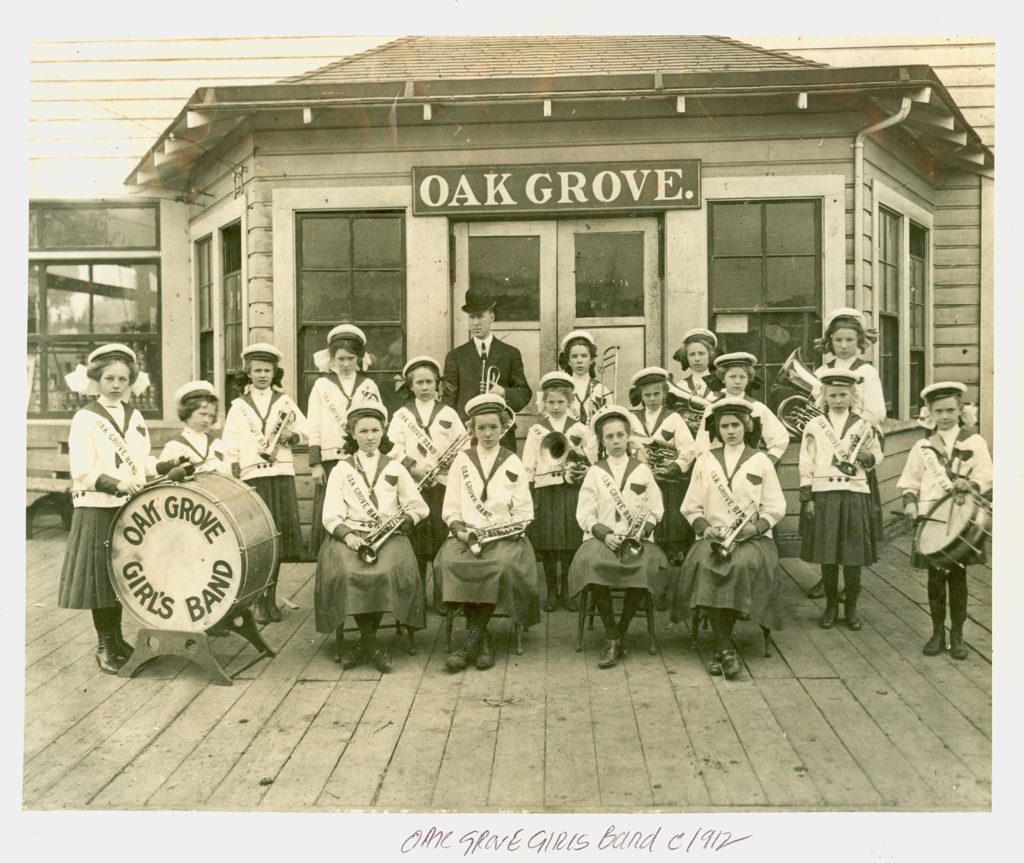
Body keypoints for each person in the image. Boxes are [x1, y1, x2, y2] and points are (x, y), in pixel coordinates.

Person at [59, 344, 180, 673]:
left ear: (131, 382)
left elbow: (140, 463)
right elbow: (82, 468)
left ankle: (117, 639)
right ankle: (104, 644)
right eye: (109, 378)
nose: (116, 385)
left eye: (123, 379)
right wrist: (115, 484)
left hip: (128, 508)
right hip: (98, 506)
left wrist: (166, 465)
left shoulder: (135, 416)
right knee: (100, 578)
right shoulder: (85, 418)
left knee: (121, 576)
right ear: (95, 380)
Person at [669, 398, 785, 680]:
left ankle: (721, 648)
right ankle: (725, 649)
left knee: (738, 566)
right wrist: (704, 526)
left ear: (746, 427)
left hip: (752, 539)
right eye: (724, 426)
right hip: (714, 536)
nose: (730, 431)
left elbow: (776, 506)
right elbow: (691, 506)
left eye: (735, 425)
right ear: (717, 430)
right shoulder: (705, 460)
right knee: (706, 565)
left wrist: (755, 528)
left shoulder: (760, 461)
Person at [314, 399, 428, 672]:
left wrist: (404, 521)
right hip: (352, 536)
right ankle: (371, 643)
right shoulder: (342, 469)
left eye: (375, 430)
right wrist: (349, 536)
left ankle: (366, 642)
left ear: (383, 432)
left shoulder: (395, 466)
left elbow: (418, 506)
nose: (370, 437)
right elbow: (330, 514)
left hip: (388, 536)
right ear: (353, 434)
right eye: (363, 431)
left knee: (387, 571)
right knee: (346, 572)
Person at [435, 393, 540, 672]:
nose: (488, 433)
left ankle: (471, 641)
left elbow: (524, 512)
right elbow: (451, 509)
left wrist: (504, 530)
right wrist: (461, 532)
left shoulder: (512, 461)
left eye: (493, 426)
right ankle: (481, 640)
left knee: (500, 565)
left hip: (503, 537)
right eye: (481, 427)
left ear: (503, 427)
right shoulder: (461, 461)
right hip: (466, 536)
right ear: (471, 430)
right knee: (451, 562)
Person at [567, 405, 669, 669]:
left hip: (636, 540)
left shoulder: (642, 470)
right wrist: (605, 534)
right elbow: (585, 514)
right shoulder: (595, 472)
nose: (615, 441)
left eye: (620, 435)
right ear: (602, 440)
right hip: (603, 539)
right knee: (593, 566)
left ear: (628, 437)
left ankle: (619, 633)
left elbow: (656, 509)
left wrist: (642, 531)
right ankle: (612, 635)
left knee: (643, 568)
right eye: (609, 436)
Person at [897, 382, 992, 660]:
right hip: (933, 523)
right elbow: (911, 480)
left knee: (958, 580)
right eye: (939, 411)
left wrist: (970, 483)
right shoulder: (923, 445)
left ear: (961, 410)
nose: (946, 415)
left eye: (951, 409)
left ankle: (957, 635)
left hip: (963, 520)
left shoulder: (974, 441)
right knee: (935, 580)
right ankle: (938, 631)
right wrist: (911, 503)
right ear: (930, 412)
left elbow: (986, 474)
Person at [222, 343, 308, 624]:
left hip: (280, 475)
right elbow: (230, 442)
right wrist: (233, 469)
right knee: (259, 539)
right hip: (253, 477)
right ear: (248, 373)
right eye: (257, 370)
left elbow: (306, 431)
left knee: (278, 538)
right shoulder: (238, 407)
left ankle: (270, 599)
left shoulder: (284, 401)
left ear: (275, 373)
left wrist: (292, 437)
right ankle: (258, 601)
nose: (262, 375)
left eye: (267, 371)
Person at [805, 308, 886, 599]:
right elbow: (815, 412)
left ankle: (851, 581)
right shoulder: (821, 372)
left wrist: (850, 418)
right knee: (828, 523)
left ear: (860, 341)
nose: (843, 345)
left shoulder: (866, 371)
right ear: (829, 341)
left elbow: (878, 412)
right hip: (827, 456)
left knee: (850, 523)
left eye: (850, 339)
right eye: (837, 340)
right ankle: (827, 578)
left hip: (855, 451)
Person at [798, 370, 884, 630]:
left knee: (852, 554)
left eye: (843, 395)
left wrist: (868, 456)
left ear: (852, 396)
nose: (837, 400)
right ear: (824, 396)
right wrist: (808, 498)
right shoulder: (814, 425)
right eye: (832, 395)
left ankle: (852, 608)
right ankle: (830, 606)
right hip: (825, 495)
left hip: (854, 494)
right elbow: (806, 460)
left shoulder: (863, 424)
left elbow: (878, 455)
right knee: (828, 553)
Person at [387, 355, 468, 615]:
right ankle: (417, 594)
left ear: (437, 384)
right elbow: (393, 449)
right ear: (410, 386)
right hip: (414, 486)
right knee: (417, 544)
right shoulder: (402, 415)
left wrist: (451, 462)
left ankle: (442, 596)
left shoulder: (448, 413)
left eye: (429, 382)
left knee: (442, 541)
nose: (424, 387)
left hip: (443, 484)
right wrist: (415, 466)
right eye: (419, 382)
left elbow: (463, 445)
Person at [521, 371, 595, 613]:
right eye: (551, 402)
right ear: (544, 403)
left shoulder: (580, 428)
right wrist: (530, 493)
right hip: (546, 493)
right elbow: (528, 464)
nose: (555, 407)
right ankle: (552, 591)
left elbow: (591, 458)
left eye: (560, 402)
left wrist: (581, 461)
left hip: (571, 491)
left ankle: (568, 591)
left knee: (570, 542)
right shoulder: (537, 430)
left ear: (570, 402)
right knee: (550, 544)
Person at [306, 324, 382, 558]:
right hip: (331, 460)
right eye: (341, 358)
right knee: (333, 508)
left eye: (350, 358)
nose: (346, 364)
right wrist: (315, 463)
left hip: (359, 460)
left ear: (359, 358)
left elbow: (378, 420)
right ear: (332, 359)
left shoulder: (368, 385)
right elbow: (314, 424)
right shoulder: (322, 385)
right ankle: (330, 559)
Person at [442, 288, 532, 452]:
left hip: (501, 435)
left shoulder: (510, 353)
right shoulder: (455, 356)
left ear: (491, 316)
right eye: (471, 317)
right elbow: (448, 402)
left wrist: (504, 392)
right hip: (466, 435)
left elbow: (524, 394)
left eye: (480, 316)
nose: (475, 323)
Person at [628, 367, 697, 564]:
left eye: (657, 394)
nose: (652, 399)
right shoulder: (632, 419)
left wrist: (672, 468)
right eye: (647, 395)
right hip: (641, 482)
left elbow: (689, 450)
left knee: (671, 531)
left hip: (669, 484)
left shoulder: (674, 418)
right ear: (640, 396)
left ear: (665, 394)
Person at [694, 352, 789, 465]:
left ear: (748, 379)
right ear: (723, 379)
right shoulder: (712, 408)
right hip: (718, 467)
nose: (737, 381)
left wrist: (768, 462)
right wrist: (707, 466)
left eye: (742, 377)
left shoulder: (758, 408)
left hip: (749, 467)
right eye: (732, 377)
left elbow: (780, 438)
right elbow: (702, 443)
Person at [158, 380, 230, 475]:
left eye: (211, 416)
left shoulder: (217, 444)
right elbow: (162, 479)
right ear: (187, 412)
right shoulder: (174, 446)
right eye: (202, 414)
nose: (207, 420)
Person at [670, 327, 722, 437]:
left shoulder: (723, 384)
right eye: (692, 354)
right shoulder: (681, 386)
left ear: (710, 355)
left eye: (701, 353)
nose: (697, 359)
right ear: (686, 357)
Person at [558, 330, 612, 426]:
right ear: (569, 361)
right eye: (574, 356)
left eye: (584, 356)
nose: (579, 361)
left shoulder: (601, 390)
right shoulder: (561, 389)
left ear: (591, 359)